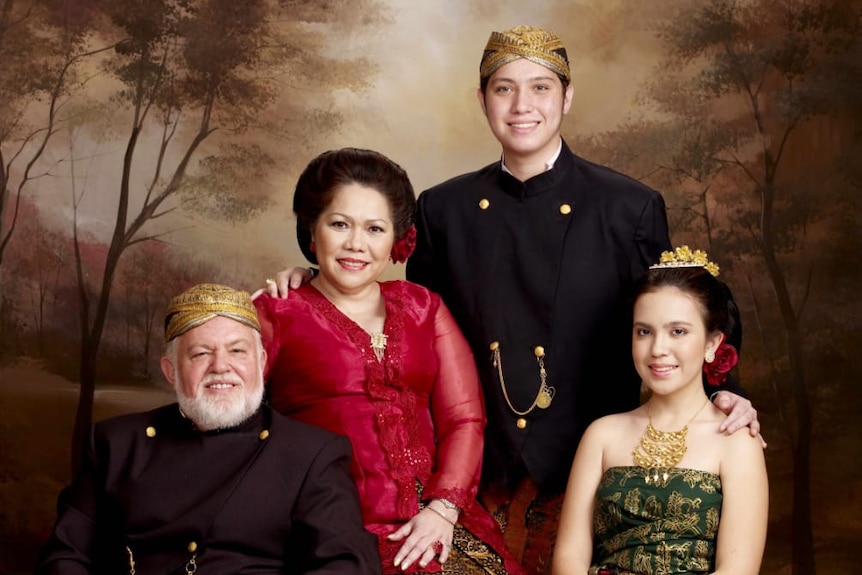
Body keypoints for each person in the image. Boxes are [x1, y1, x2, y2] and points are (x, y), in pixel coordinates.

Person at [263, 25, 761, 574]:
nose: (522, 105)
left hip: (590, 456)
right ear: (482, 101)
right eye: (503, 89)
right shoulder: (443, 208)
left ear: (567, 97)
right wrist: (314, 277)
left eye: (541, 88)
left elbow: (680, 307)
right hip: (482, 465)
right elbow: (400, 312)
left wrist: (724, 390)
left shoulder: (628, 206)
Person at [253, 148, 525, 575]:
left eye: (374, 229)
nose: (356, 245)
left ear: (395, 239)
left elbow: (464, 419)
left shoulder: (422, 306)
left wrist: (444, 508)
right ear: (312, 230)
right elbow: (232, 418)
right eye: (339, 224)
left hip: (436, 519)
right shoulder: (277, 312)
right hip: (333, 526)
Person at [36, 283, 380, 575]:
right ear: (170, 370)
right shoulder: (115, 444)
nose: (221, 367)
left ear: (260, 363)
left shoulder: (313, 453)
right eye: (201, 353)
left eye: (237, 351)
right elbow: (65, 556)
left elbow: (344, 564)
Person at [553, 247, 768, 574]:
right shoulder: (602, 435)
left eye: (678, 331)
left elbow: (738, 569)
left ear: (712, 344)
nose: (657, 349)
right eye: (644, 331)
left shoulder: (737, 441)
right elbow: (568, 559)